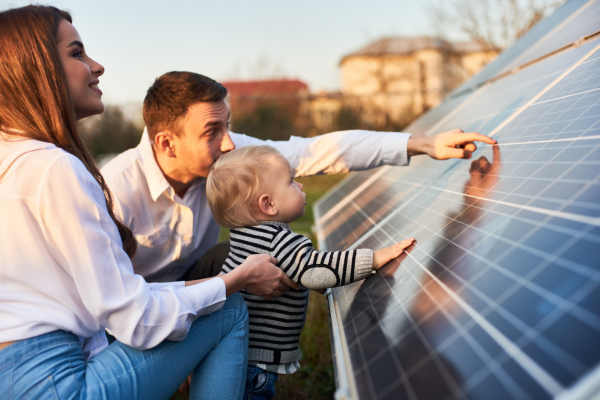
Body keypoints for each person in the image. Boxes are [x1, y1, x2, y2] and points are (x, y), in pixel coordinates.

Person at [0, 6, 297, 400]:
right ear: (36, 69)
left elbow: (118, 303)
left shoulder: (13, 159)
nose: (97, 66)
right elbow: (134, 319)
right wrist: (235, 281)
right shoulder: (54, 168)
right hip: (56, 384)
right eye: (77, 53)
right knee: (227, 308)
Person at [101, 72, 497, 286]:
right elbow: (109, 301)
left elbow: (315, 151)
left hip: (194, 282)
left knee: (260, 255)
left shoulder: (229, 155)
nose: (228, 145)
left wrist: (423, 143)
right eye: (211, 133)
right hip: (132, 311)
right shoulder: (114, 192)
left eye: (228, 127)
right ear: (167, 144)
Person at [206, 145, 417, 399]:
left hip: (237, 353)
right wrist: (373, 259)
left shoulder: (243, 237)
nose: (301, 186)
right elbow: (314, 269)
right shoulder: (278, 240)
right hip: (255, 365)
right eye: (292, 181)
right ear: (268, 204)